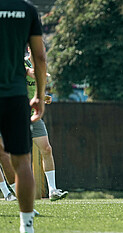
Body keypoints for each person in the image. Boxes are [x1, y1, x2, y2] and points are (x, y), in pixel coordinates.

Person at [0, 0, 47, 232]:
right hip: (15, 97)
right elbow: (39, 57)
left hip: (15, 94)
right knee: (22, 162)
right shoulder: (27, 10)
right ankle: (27, 226)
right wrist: (39, 95)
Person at [25, 52, 69, 201]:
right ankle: (12, 191)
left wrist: (43, 97)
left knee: (47, 149)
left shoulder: (42, 65)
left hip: (34, 116)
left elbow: (36, 89)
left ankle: (53, 191)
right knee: (17, 156)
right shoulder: (22, 64)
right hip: (17, 115)